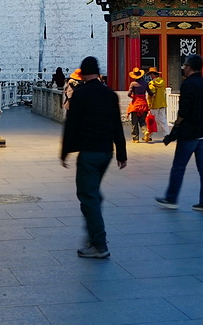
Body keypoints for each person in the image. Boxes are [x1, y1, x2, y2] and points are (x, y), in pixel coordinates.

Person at [61, 56, 127, 259]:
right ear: (98, 73)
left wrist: (65, 152)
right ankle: (93, 235)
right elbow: (117, 125)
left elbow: (71, 125)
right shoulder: (110, 94)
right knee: (92, 193)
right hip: (106, 151)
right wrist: (122, 153)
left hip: (89, 152)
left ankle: (99, 244)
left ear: (81, 74)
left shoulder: (80, 94)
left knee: (88, 196)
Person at [156, 54, 203, 213]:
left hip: (189, 132)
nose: (184, 68)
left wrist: (176, 125)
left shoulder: (188, 85)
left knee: (179, 166)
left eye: (185, 65)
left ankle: (171, 198)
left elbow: (184, 110)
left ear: (189, 67)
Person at [146, 66, 168, 140]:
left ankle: (149, 135)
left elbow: (152, 94)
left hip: (154, 104)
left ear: (152, 74)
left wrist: (149, 104)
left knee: (152, 120)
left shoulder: (151, 83)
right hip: (162, 103)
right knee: (163, 120)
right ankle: (167, 135)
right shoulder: (162, 81)